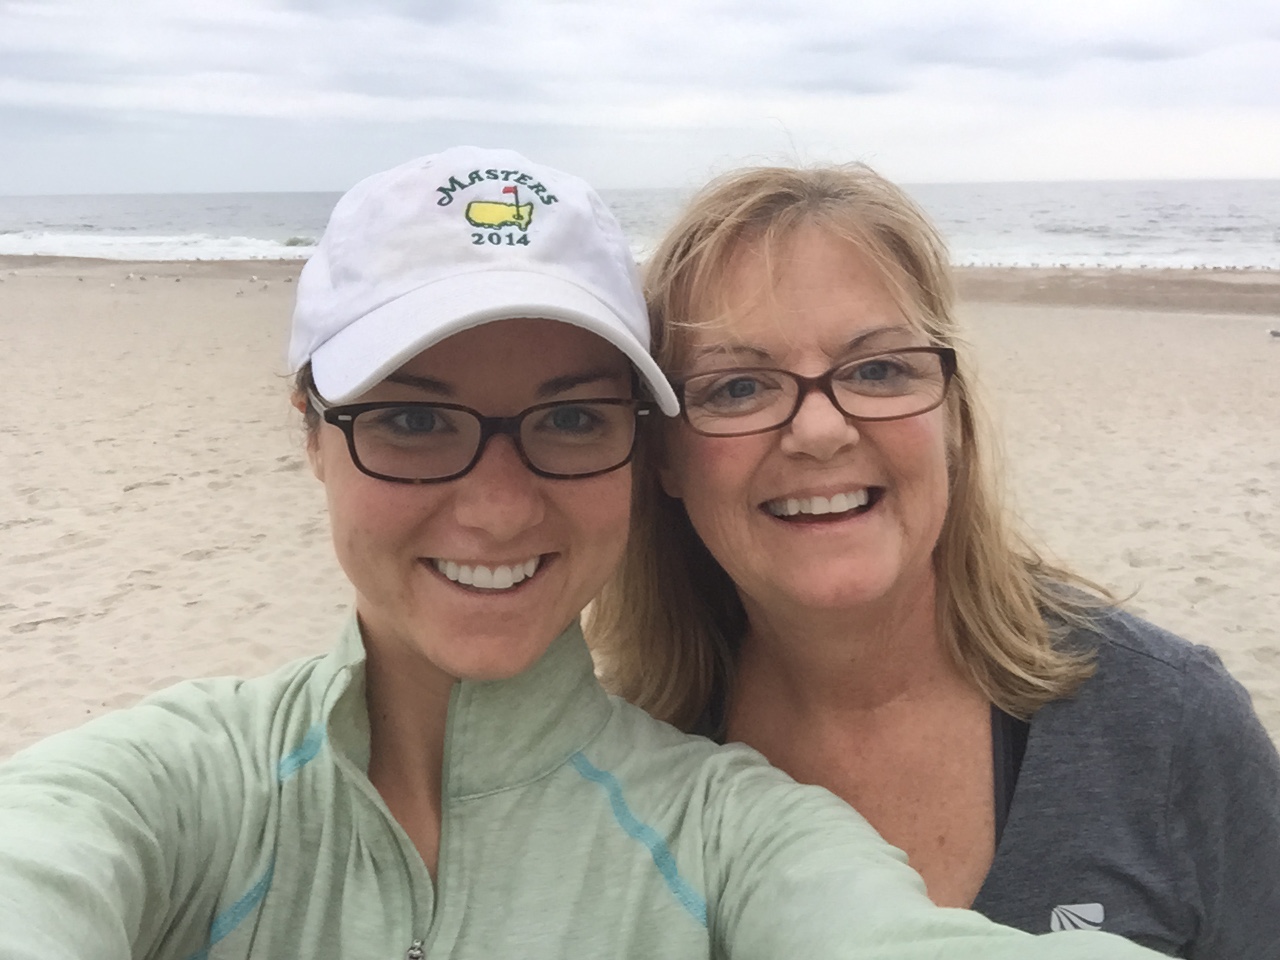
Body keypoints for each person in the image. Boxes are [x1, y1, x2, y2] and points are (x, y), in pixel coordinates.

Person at [0, 148, 1166, 960]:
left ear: (640, 450)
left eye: (567, 419)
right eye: (413, 420)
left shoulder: (724, 827)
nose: (498, 509)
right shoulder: (189, 786)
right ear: (311, 430)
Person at [589, 162, 1280, 958]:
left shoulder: (1166, 726)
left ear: (952, 416)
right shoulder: (628, 780)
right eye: (739, 387)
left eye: (878, 370)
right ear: (666, 456)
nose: (820, 431)